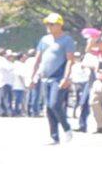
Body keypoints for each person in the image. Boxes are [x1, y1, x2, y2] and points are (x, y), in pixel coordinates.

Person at [33, 14, 77, 143]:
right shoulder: (44, 40)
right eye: (47, 24)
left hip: (59, 77)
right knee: (48, 107)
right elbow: (38, 58)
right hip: (45, 77)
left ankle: (66, 128)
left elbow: (70, 60)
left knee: (55, 104)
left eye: (51, 24)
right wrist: (33, 75)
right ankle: (54, 136)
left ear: (59, 25)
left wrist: (66, 77)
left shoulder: (66, 40)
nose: (49, 27)